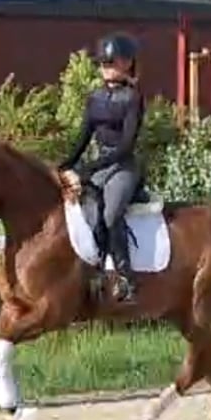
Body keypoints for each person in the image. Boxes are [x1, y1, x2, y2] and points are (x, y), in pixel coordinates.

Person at [59, 32, 146, 303]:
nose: (105, 66)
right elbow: (83, 138)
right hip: (99, 166)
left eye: (111, 62)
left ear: (128, 63)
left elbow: (126, 146)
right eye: (103, 62)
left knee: (110, 215)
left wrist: (88, 168)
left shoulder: (133, 98)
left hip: (123, 167)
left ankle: (126, 278)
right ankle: (93, 273)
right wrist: (64, 164)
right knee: (88, 213)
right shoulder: (94, 97)